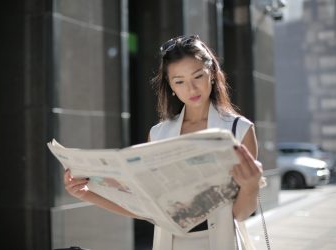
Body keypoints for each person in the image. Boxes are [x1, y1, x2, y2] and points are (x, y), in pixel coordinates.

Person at [63, 34, 264, 250]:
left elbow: (241, 213)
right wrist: (87, 194)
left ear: (212, 74)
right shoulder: (159, 133)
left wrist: (251, 186)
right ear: (171, 86)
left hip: (221, 241)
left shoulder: (239, 129)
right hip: (169, 243)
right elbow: (148, 210)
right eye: (180, 81)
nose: (191, 89)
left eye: (198, 76)